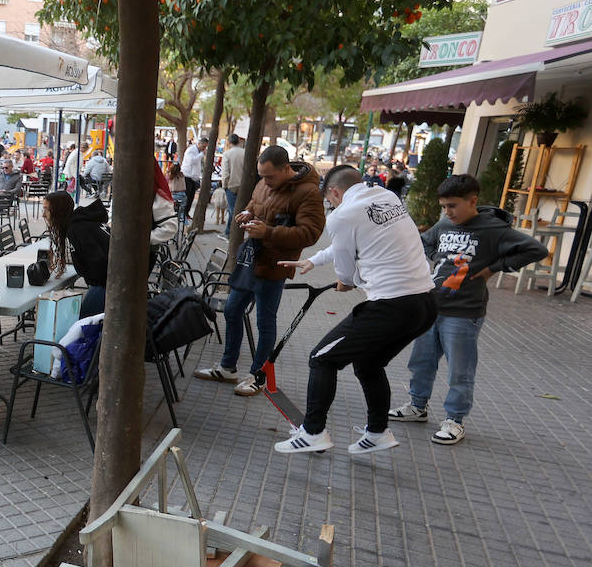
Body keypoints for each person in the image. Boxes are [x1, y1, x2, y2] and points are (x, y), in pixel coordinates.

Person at [272, 166, 438, 454]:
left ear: (334, 192)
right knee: (368, 364)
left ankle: (313, 433)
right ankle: (377, 433)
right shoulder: (386, 197)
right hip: (424, 303)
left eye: (330, 200)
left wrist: (345, 282)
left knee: (322, 358)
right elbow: (357, 240)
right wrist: (314, 260)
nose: (331, 206)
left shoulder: (341, 215)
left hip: (391, 304)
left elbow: (345, 272)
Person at [388, 174, 549, 445]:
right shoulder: (443, 224)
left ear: (472, 201)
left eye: (452, 206)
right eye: (443, 206)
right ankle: (417, 406)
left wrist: (493, 268)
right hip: (431, 306)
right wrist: (434, 259)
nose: (447, 212)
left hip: (464, 313)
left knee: (460, 370)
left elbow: (536, 250)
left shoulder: (493, 229)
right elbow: (424, 242)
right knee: (421, 362)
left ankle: (455, 420)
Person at [194, 145, 326, 396]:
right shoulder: (264, 183)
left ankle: (258, 376)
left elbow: (310, 234)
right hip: (251, 261)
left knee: (265, 322)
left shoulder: (308, 192)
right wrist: (246, 212)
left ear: (286, 169)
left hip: (274, 266)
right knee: (232, 310)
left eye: (270, 176)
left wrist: (269, 232)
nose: (265, 181)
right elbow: (256, 202)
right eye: (262, 176)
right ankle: (227, 367)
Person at [44, 190, 110, 318]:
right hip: (107, 283)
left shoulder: (77, 230)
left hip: (106, 285)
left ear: (58, 211)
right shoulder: (82, 224)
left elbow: (98, 262)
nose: (43, 214)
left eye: (46, 210)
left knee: (83, 324)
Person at [220, 134, 245, 219]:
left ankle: (229, 231)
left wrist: (224, 185)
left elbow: (225, 172)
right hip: (243, 185)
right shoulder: (245, 153)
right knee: (241, 210)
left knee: (232, 210)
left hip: (231, 185)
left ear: (229, 143)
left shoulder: (227, 154)